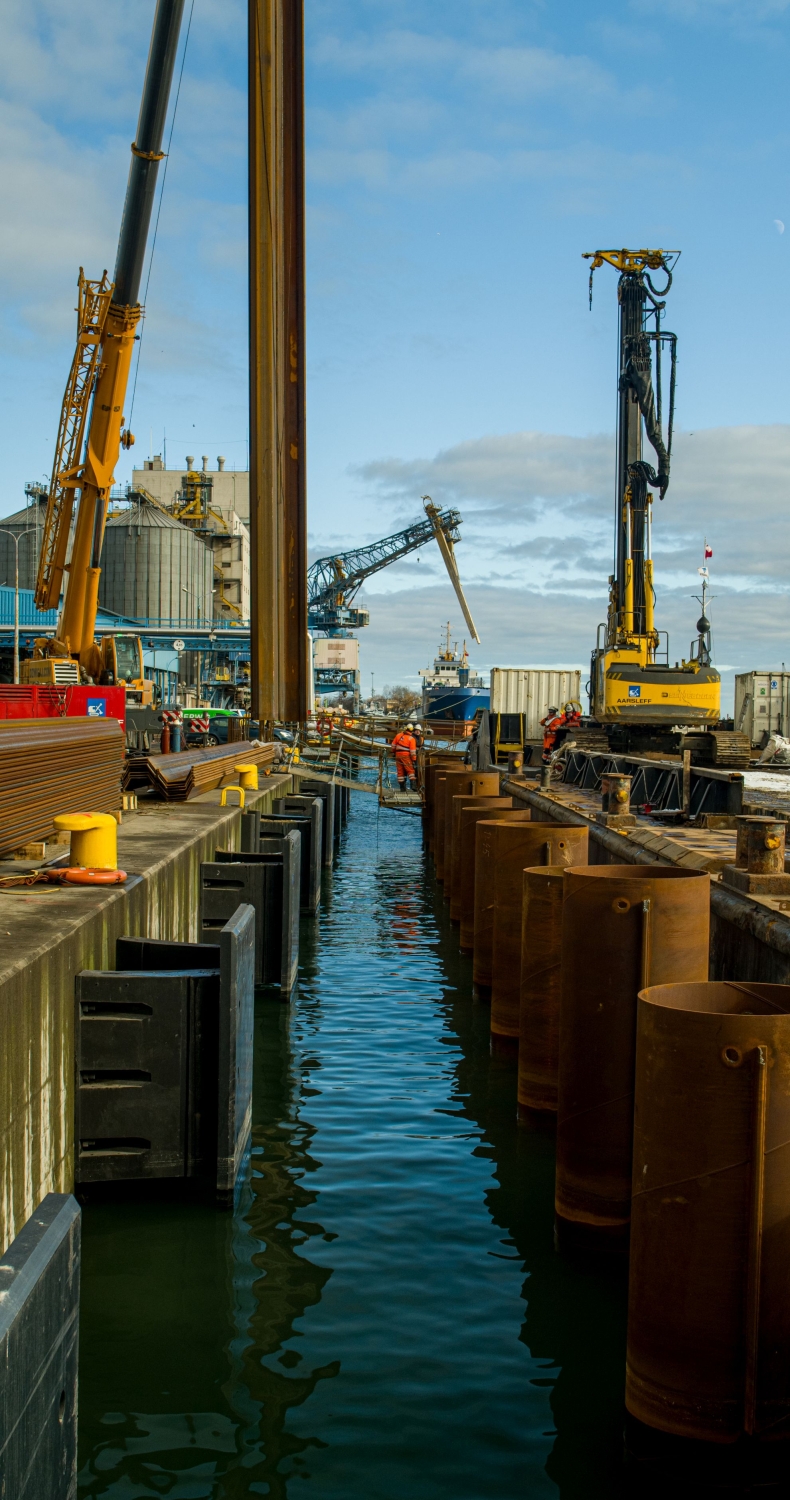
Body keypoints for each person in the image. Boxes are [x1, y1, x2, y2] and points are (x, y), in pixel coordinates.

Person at [392, 722, 417, 790]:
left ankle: (402, 787)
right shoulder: (411, 739)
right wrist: (414, 759)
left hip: (398, 755)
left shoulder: (398, 735)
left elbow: (393, 746)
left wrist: (393, 752)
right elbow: (412, 752)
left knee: (400, 771)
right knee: (410, 770)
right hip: (406, 756)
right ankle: (413, 786)